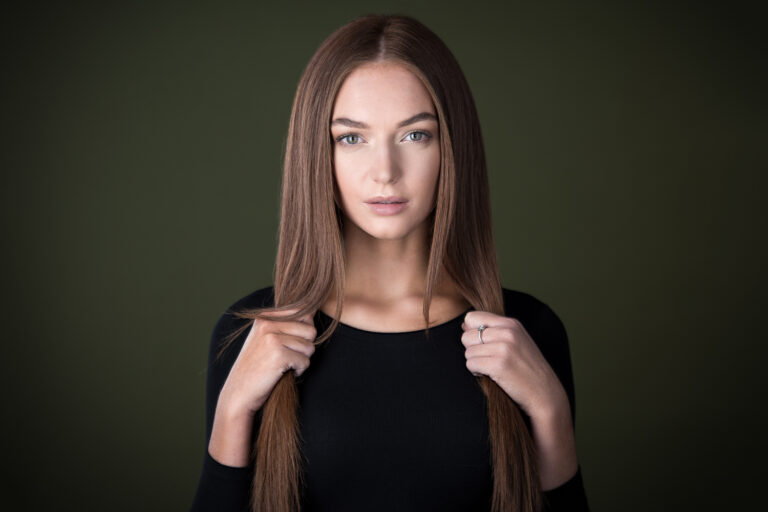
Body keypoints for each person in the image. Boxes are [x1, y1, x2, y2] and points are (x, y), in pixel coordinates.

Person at [190, 13, 589, 512]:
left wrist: (551, 413)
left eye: (414, 135)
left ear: (451, 146)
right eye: (351, 138)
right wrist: (232, 413)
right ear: (318, 154)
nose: (385, 172)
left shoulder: (529, 332)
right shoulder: (249, 336)